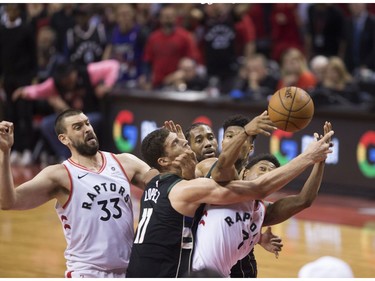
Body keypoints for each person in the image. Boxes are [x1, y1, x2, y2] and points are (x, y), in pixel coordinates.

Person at [126, 126, 334, 277]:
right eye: (262, 169)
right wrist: (308, 156)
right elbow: (255, 183)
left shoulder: (160, 184)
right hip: (182, 272)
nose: (267, 173)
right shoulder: (204, 188)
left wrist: (258, 238)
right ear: (244, 171)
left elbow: (304, 200)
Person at [0, 109, 159, 277]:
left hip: (129, 270)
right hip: (88, 272)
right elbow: (8, 202)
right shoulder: (59, 175)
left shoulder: (125, 162)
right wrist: (4, 153)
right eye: (78, 127)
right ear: (64, 139)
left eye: (87, 123)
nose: (87, 129)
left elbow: (164, 184)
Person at [12, 59, 120, 161]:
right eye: (63, 79)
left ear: (74, 72)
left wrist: (107, 85)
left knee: (85, 124)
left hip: (91, 115)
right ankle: (67, 156)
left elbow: (113, 65)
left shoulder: (88, 72)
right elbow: (39, 90)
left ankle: (86, 156)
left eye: (69, 77)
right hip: (70, 116)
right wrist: (24, 91)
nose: (67, 81)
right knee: (46, 124)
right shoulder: (54, 83)